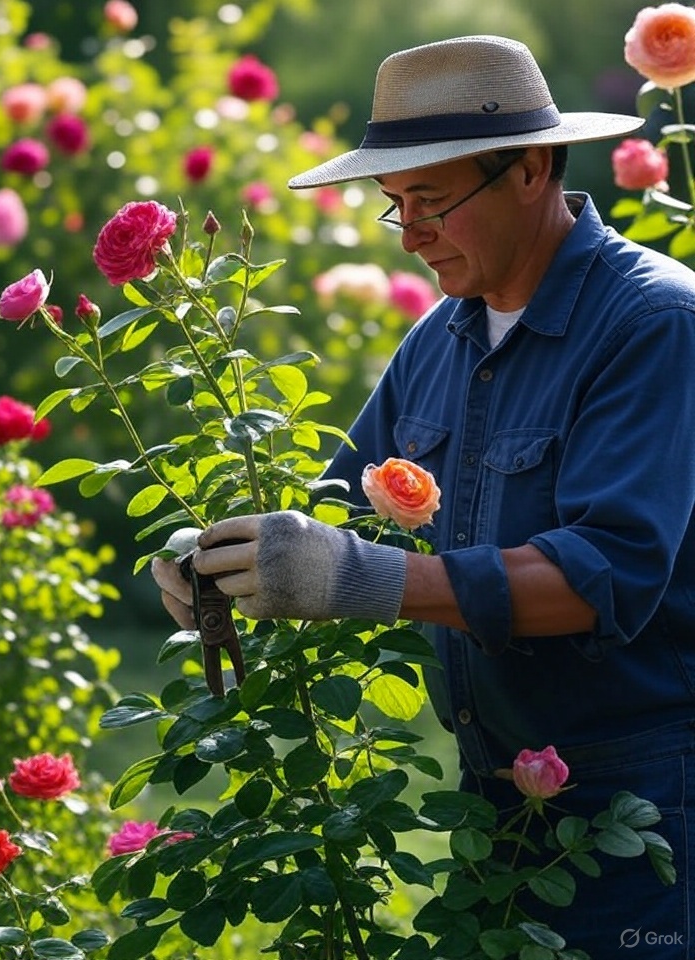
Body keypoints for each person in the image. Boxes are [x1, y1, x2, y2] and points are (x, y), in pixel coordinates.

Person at [152, 35, 695, 954]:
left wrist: (365, 579)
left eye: (432, 200)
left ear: (531, 169)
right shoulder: (443, 337)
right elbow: (334, 507)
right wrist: (220, 553)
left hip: (642, 804)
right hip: (493, 800)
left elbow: (605, 573)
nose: (409, 234)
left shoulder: (654, 323)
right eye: (394, 204)